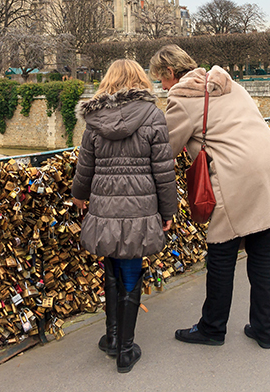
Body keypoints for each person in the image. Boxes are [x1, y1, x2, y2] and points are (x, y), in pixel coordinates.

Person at [150, 45, 270, 350]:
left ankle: (212, 328)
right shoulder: (229, 84)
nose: (163, 87)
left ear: (170, 73)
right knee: (262, 253)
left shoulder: (182, 98)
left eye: (161, 80)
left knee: (221, 255)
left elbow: (163, 149)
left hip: (237, 176)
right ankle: (264, 328)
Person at [70, 59, 178, 373]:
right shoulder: (154, 115)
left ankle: (113, 337)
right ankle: (125, 351)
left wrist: (79, 195)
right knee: (131, 270)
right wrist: (168, 211)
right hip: (139, 210)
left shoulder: (94, 120)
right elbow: (164, 172)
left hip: (104, 209)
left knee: (111, 267)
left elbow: (85, 167)